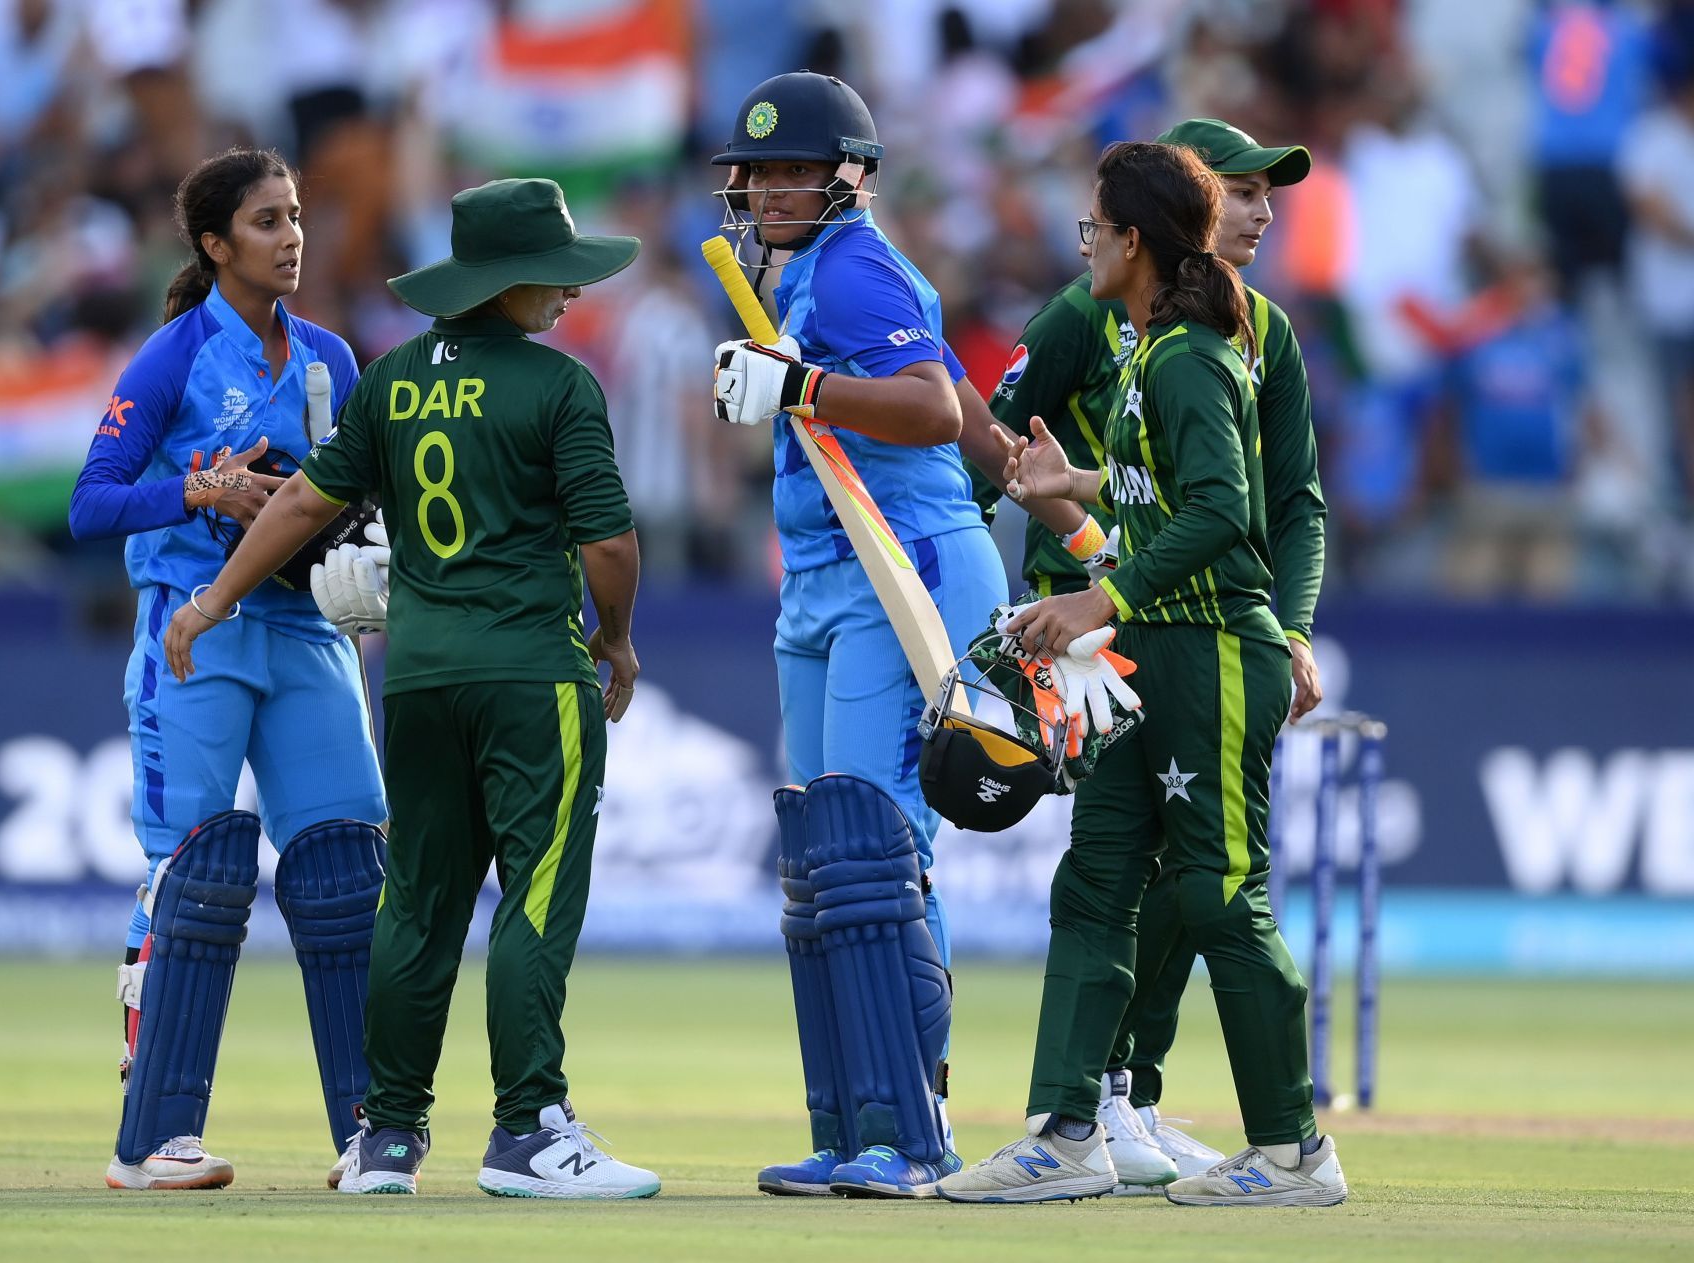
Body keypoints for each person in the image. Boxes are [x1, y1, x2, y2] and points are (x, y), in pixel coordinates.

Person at [164, 177, 660, 1200]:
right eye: (552, 279)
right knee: (535, 896)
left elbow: (304, 499)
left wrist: (211, 602)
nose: (566, 298)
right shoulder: (559, 387)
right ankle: (528, 1130)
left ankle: (387, 1139)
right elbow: (608, 542)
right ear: (505, 283)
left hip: (421, 680)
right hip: (532, 678)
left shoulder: (389, 381)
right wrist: (614, 641)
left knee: (418, 906)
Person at [935, 141, 1348, 1207]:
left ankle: (1294, 1151)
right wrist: (1074, 481)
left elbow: (1227, 514)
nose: (1083, 248)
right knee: (1100, 877)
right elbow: (1167, 499)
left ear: (1134, 242)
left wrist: (1098, 597)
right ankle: (1067, 1132)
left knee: (1215, 895)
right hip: (1149, 656)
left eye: (1093, 231)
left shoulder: (1187, 356)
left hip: (1207, 647)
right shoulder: (1146, 348)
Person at [708, 70, 1009, 1199]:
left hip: (904, 567)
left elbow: (928, 404)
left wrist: (803, 383)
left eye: (795, 168)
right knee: (825, 862)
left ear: (847, 175)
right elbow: (961, 406)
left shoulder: (854, 261)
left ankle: (910, 1135)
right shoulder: (811, 274)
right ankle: (846, 1126)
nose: (773, 187)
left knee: (877, 858)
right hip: (827, 574)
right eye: (763, 170)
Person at [67, 147, 389, 1191]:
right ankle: (153, 1135)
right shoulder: (170, 359)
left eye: (295, 216)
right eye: (265, 221)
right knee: (190, 874)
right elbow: (91, 502)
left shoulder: (333, 358)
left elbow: (354, 497)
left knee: (347, 872)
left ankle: (369, 1134)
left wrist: (364, 549)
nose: (292, 236)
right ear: (214, 244)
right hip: (191, 633)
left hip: (306, 635)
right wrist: (200, 492)